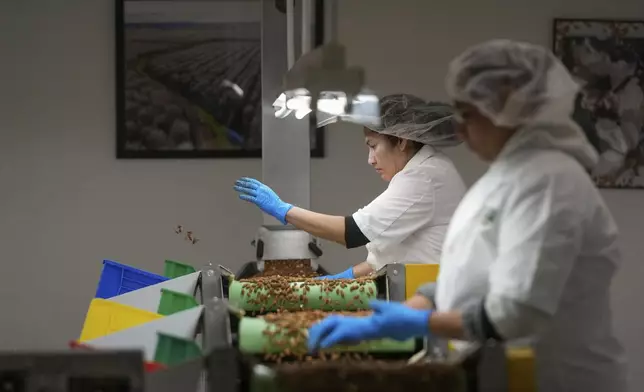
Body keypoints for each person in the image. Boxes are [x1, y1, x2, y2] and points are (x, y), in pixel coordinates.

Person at [307, 39, 628, 392]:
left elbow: (516, 312)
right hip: (499, 370)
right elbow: (470, 272)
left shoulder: (548, 182)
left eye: (469, 115)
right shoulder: (501, 181)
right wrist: (411, 308)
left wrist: (421, 322)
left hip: (557, 378)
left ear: (509, 110)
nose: (458, 130)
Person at [234, 94, 466, 279]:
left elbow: (352, 232)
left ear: (402, 141)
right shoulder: (428, 171)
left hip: (427, 296)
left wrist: (283, 210)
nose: (370, 159)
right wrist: (340, 279)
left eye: (373, 146)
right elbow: (385, 256)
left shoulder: (422, 178)